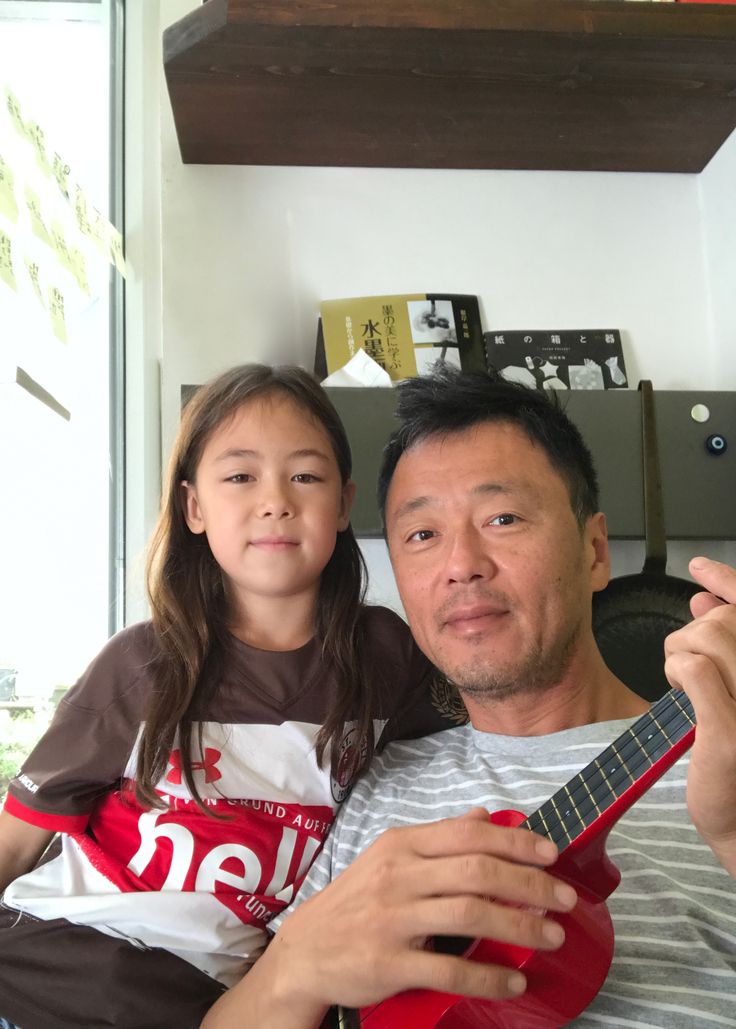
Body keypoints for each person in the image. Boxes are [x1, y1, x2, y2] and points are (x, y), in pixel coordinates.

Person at [201, 365, 736, 1029]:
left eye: (503, 518)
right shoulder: (373, 782)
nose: (461, 565)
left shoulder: (723, 751)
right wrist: (293, 968)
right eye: (422, 535)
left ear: (595, 550)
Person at [0, 364, 456, 1029]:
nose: (275, 501)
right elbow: (16, 842)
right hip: (35, 975)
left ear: (343, 504)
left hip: (215, 1007)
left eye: (306, 476)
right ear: (194, 508)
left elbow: (478, 753)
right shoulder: (140, 664)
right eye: (241, 476)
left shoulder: (390, 660)